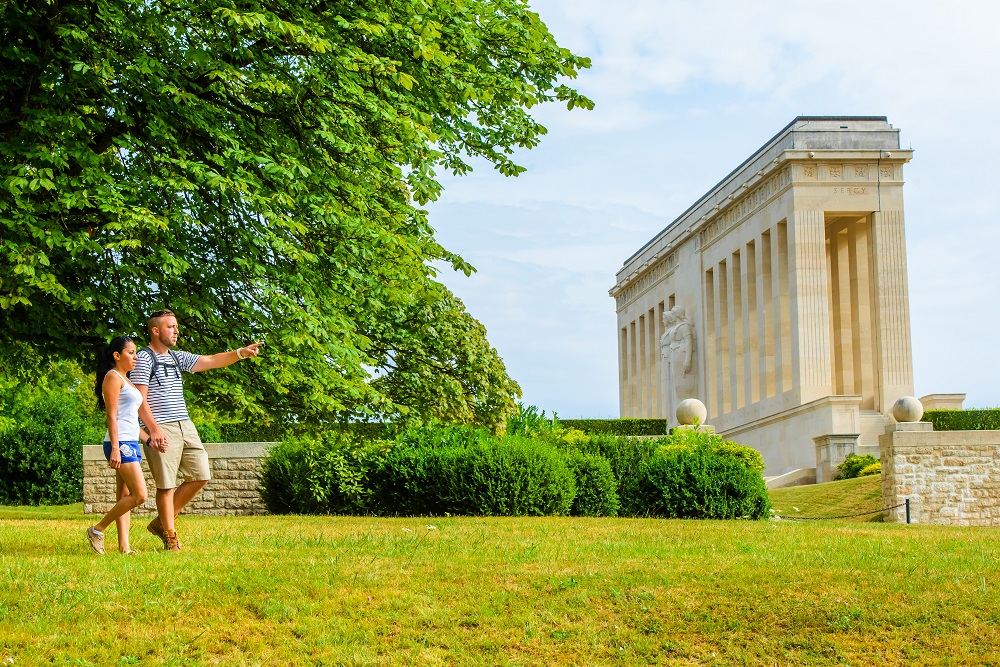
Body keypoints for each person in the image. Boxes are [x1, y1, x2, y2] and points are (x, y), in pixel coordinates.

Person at [134, 309, 262, 551]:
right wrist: (153, 431)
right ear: (155, 330)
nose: (176, 331)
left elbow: (211, 360)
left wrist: (240, 353)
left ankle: (162, 522)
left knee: (201, 474)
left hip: (185, 424)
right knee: (166, 485)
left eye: (176, 326)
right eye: (170, 326)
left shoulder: (175, 357)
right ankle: (170, 536)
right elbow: (139, 400)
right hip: (162, 427)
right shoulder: (144, 359)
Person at [86, 336, 150, 555]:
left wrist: (147, 438)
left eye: (136, 352)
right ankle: (97, 529)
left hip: (130, 441)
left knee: (124, 496)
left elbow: (130, 417)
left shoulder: (127, 379)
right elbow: (112, 416)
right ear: (117, 355)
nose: (136, 356)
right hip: (120, 443)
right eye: (131, 352)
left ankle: (124, 547)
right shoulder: (113, 378)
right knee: (140, 495)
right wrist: (115, 447)